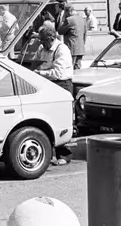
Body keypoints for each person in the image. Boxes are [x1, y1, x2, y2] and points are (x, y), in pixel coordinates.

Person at [34, 24, 74, 165]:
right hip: (47, 84)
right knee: (46, 119)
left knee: (61, 120)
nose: (41, 43)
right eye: (40, 40)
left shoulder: (61, 49)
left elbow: (59, 73)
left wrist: (39, 73)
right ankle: (48, 154)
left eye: (43, 40)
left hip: (61, 85)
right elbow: (36, 62)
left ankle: (64, 156)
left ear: (51, 38)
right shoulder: (41, 48)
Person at [57, 5, 87, 69]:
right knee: (78, 68)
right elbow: (85, 33)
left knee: (69, 67)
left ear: (69, 11)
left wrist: (62, 20)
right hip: (80, 48)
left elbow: (60, 31)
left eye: (65, 12)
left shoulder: (69, 20)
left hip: (71, 48)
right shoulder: (82, 19)